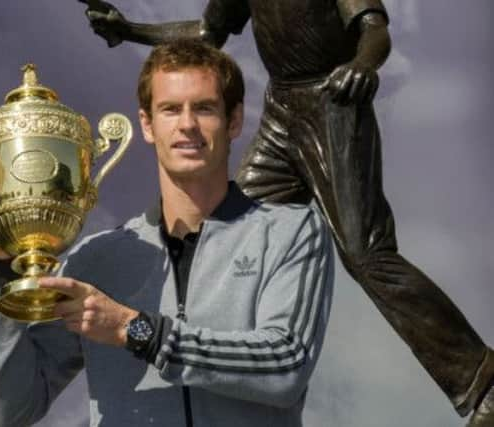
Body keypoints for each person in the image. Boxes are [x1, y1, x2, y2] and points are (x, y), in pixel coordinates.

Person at [81, 1, 494, 425]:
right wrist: (130, 30)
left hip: (334, 103)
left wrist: (364, 64)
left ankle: (482, 382)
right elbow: (208, 33)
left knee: (366, 255)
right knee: (225, 229)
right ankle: (223, 385)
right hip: (282, 112)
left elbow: (375, 30)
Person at [0, 39, 334, 426]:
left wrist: (133, 329)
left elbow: (284, 365)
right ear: (148, 125)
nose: (187, 124)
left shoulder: (291, 231)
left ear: (234, 120)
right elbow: (10, 410)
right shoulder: (97, 259)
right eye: (170, 109)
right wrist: (1, 268)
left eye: (204, 108)